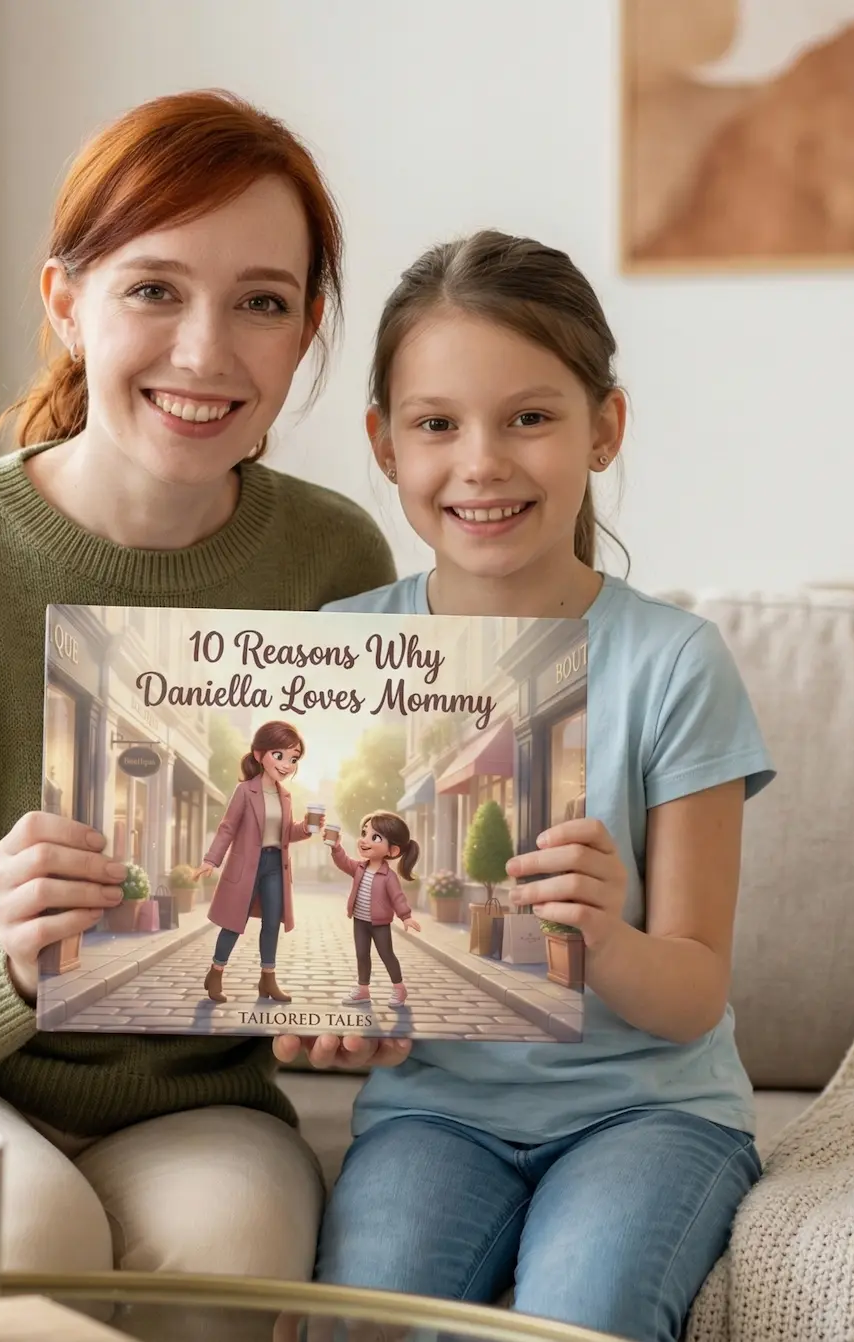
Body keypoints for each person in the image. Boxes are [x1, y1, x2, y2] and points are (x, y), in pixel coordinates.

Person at [0, 89, 403, 1281]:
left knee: (238, 1253)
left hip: (186, 1102)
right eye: (153, 289)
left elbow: (310, 915)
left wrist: (347, 1008)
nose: (205, 352)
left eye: (259, 302)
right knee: (24, 1230)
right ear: (65, 302)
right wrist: (4, 950)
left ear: (305, 328)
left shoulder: (336, 560)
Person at [310, 230, 777, 1342]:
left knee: (582, 1317)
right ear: (382, 444)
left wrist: (601, 938)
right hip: (432, 1112)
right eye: (435, 424)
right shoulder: (338, 652)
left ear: (602, 429)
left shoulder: (672, 663)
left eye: (528, 416)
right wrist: (324, 1019)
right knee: (355, 1319)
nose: (481, 462)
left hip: (647, 1114)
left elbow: (692, 994)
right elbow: (333, 967)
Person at [194, 721, 311, 1004]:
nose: (287, 764)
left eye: (293, 758)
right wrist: (211, 860)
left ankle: (267, 980)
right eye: (279, 755)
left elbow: (285, 834)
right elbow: (227, 828)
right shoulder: (245, 791)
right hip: (246, 866)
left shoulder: (285, 795)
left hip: (275, 866)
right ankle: (216, 972)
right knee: (234, 921)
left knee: (272, 923)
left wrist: (307, 827)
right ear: (260, 755)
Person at [328, 812, 420, 1005]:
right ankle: (363, 989)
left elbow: (397, 897)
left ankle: (399, 989)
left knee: (386, 954)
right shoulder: (359, 867)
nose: (364, 840)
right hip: (360, 921)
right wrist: (336, 847)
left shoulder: (389, 876)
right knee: (362, 954)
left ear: (392, 851)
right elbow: (343, 862)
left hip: (380, 924)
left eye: (375, 837)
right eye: (364, 833)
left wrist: (406, 916)